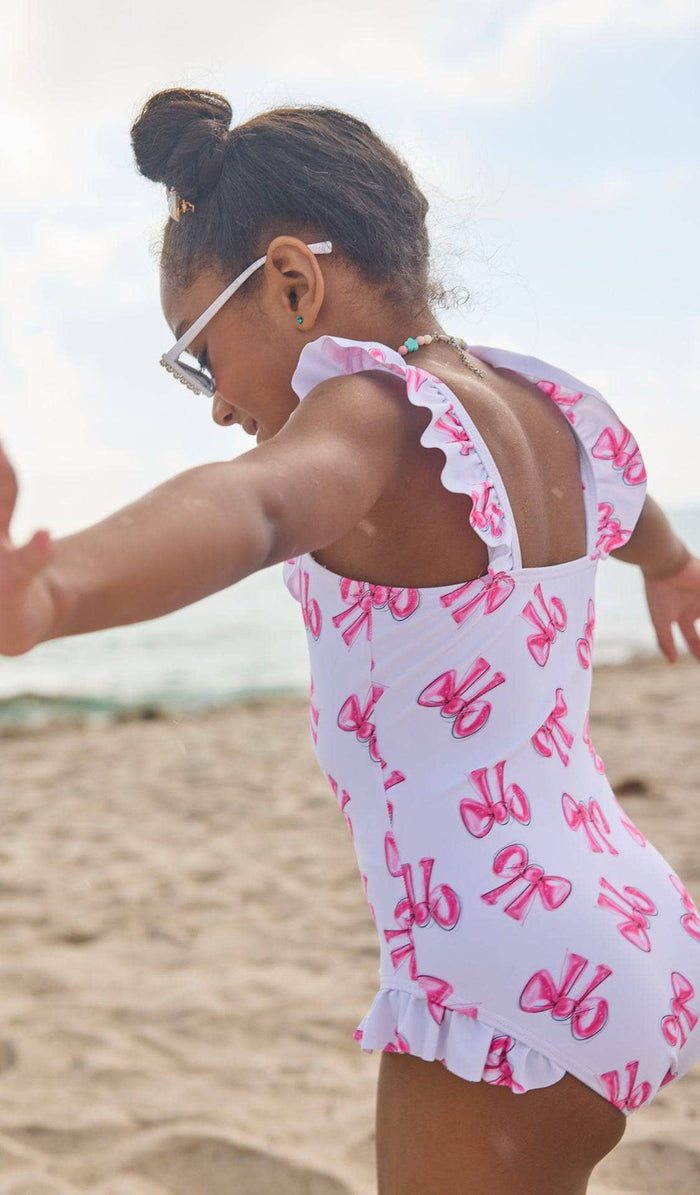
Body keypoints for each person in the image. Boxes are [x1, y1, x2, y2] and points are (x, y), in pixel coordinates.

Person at [2, 88, 700, 1195]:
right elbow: (637, 512)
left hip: (499, 974)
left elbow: (258, 507)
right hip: (625, 919)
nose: (219, 404)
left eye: (198, 355)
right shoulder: (542, 402)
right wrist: (669, 564)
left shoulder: (372, 416)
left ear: (291, 282)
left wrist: (54, 597)